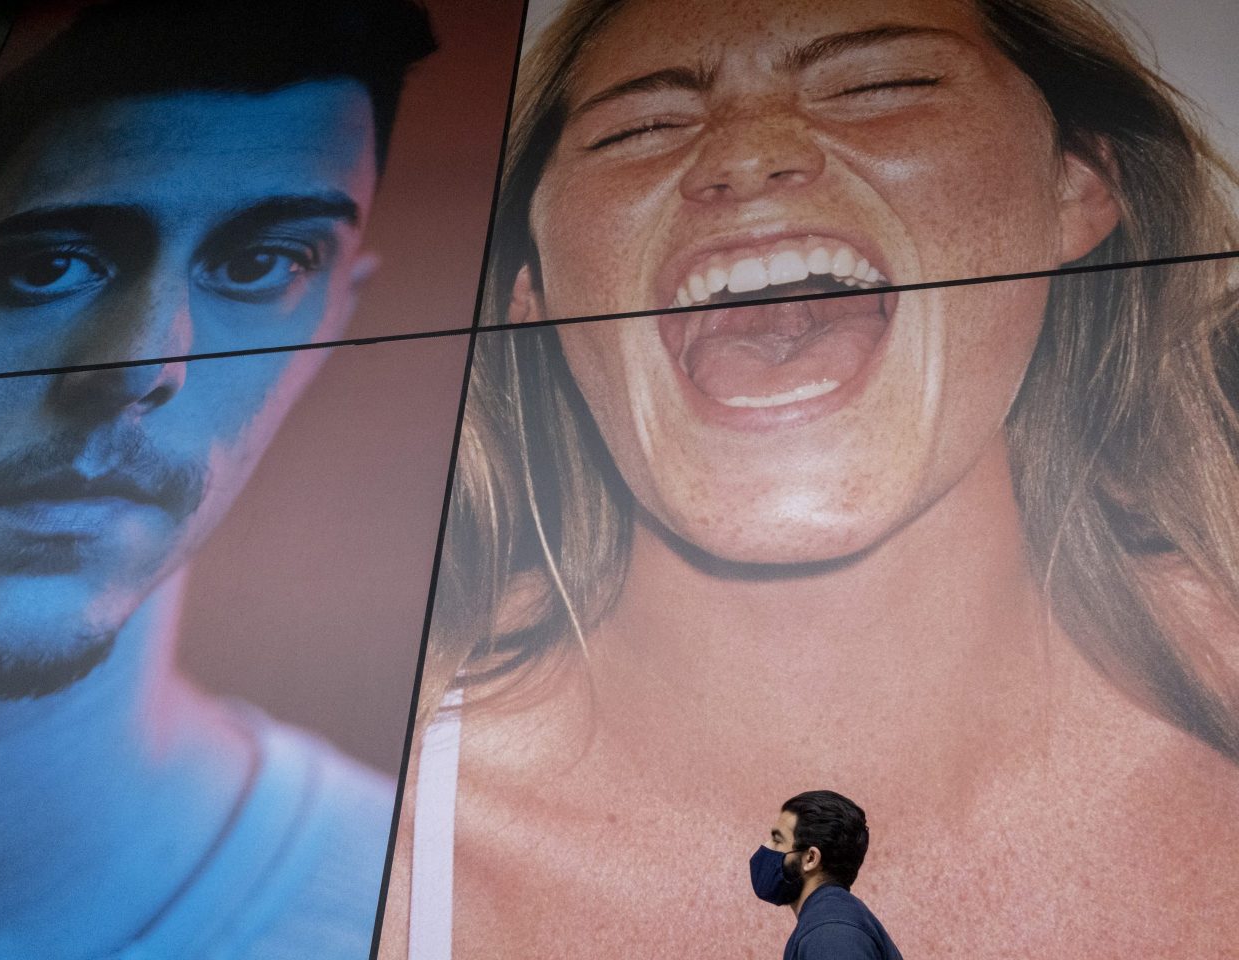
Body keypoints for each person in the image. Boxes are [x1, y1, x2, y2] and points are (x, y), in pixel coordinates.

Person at [378, 0, 1239, 957]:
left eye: (879, 85)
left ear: (1077, 188)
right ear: (532, 294)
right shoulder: (356, 855)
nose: (747, 156)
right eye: (640, 127)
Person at [0, 1, 434, 957]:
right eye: (46, 265)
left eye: (264, 262)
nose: (143, 368)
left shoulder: (427, 916)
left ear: (334, 322)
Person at [748, 791, 902, 960]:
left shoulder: (830, 933)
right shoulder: (831, 922)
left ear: (811, 858)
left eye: (777, 840)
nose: (766, 846)